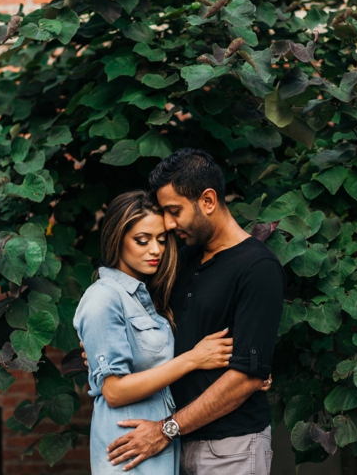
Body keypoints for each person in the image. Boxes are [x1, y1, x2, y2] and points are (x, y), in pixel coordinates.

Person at [107, 149, 286, 475]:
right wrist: (102, 347)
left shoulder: (257, 268)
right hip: (175, 445)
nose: (169, 223)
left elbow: (246, 377)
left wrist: (165, 430)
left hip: (231, 447)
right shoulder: (182, 259)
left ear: (207, 200)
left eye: (174, 211)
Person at [74, 190, 238, 475]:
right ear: (117, 239)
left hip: (159, 441)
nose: (156, 250)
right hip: (128, 445)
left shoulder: (149, 297)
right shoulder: (103, 298)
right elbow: (113, 391)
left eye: (162, 240)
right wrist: (193, 359)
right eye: (142, 240)